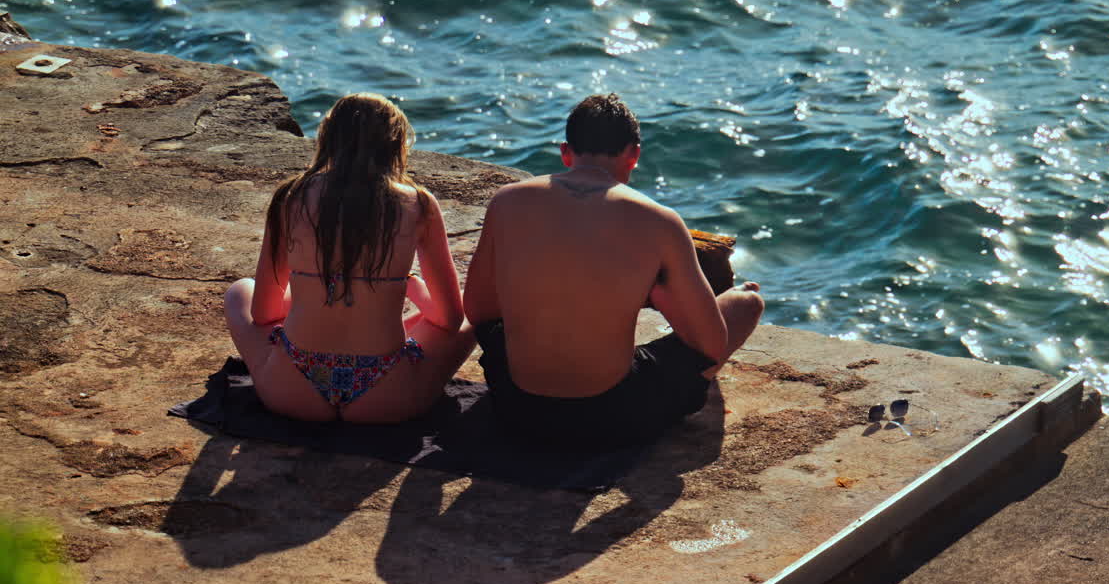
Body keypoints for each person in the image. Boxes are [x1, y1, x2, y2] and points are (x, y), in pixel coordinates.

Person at [463, 93, 764, 449]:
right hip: (610, 417)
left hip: (517, 407)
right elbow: (710, 344)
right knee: (746, 303)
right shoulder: (660, 220)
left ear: (565, 152)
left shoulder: (507, 200)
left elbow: (479, 312)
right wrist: (660, 298)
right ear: (634, 154)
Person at [224, 93, 474, 423]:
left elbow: (265, 313)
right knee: (470, 313)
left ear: (328, 137)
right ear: (396, 145)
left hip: (293, 388)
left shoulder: (292, 196)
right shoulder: (418, 204)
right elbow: (448, 319)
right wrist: (407, 282)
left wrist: (312, 285)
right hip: (386, 395)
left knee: (241, 290)